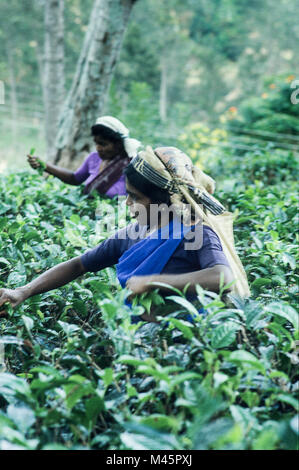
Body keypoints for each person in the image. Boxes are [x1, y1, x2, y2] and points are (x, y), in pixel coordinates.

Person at [0, 146, 250, 323]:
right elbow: (79, 264)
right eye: (128, 194)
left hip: (183, 340)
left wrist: (152, 281)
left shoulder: (198, 233)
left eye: (136, 197)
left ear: (165, 202)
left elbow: (222, 277)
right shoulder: (133, 233)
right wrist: (23, 291)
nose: (127, 202)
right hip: (133, 336)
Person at [27, 116, 141, 198]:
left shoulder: (131, 165)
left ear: (118, 144)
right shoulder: (94, 158)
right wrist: (45, 166)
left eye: (103, 144)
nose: (98, 148)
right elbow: (75, 178)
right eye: (96, 143)